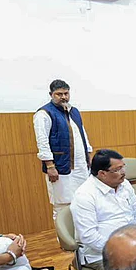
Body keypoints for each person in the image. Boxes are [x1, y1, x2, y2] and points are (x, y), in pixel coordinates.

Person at [70, 149, 136, 270]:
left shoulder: (125, 185)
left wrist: (135, 238)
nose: (123, 172)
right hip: (101, 254)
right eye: (117, 170)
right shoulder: (84, 195)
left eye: (123, 167)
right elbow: (89, 236)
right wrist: (121, 248)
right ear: (102, 173)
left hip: (132, 245)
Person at [33, 79, 93, 220]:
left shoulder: (74, 111)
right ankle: (64, 234)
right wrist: (50, 166)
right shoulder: (44, 114)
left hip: (81, 166)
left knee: (83, 200)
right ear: (51, 94)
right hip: (60, 167)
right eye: (59, 94)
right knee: (62, 205)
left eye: (66, 93)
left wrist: (89, 156)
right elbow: (42, 142)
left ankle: (80, 232)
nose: (63, 97)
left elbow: (83, 134)